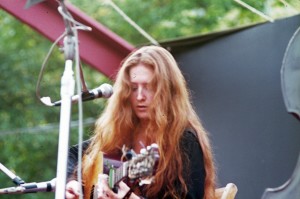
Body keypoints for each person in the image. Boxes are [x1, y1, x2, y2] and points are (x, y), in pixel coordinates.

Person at [65, 45, 216, 199]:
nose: (139, 97)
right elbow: (72, 154)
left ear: (167, 90)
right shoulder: (122, 131)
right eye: (133, 88)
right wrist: (72, 183)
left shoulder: (184, 140)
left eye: (148, 87)